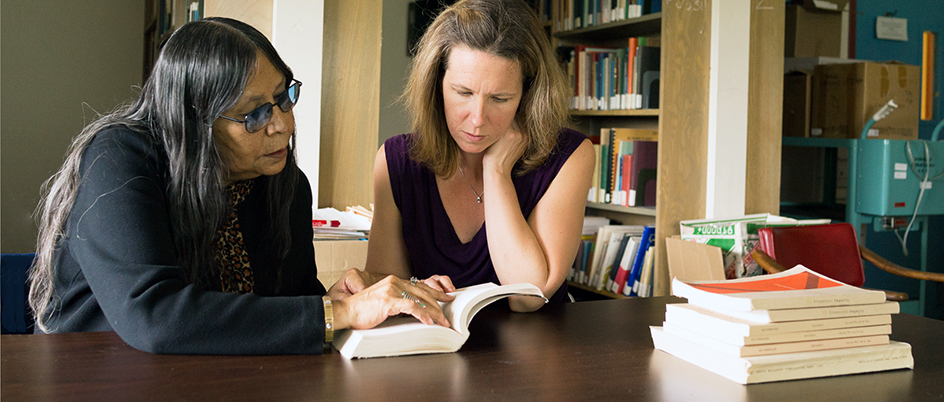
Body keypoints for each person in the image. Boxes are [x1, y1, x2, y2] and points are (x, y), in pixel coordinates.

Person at [27, 17, 453, 355]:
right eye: (254, 115)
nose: (283, 125)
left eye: (284, 96)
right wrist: (337, 311)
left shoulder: (283, 184)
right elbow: (156, 317)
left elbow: (292, 303)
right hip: (97, 376)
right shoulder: (118, 159)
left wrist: (340, 298)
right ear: (194, 125)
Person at [365, 0, 595, 312]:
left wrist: (497, 170)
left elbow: (527, 297)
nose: (477, 119)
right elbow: (386, 293)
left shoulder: (569, 156)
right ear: (436, 85)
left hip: (533, 355)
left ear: (527, 97)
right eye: (463, 92)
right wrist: (414, 292)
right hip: (433, 346)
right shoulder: (397, 161)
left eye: (500, 98)